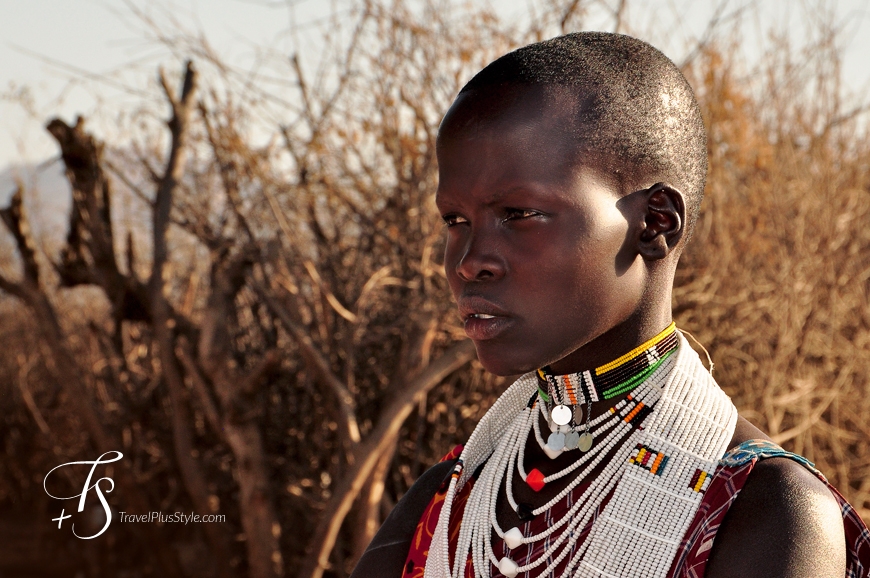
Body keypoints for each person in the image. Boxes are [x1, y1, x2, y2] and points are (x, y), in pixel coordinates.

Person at [350, 32, 869, 578]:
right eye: (456, 221)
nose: (469, 261)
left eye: (519, 214)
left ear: (654, 224)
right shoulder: (449, 499)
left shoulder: (763, 514)